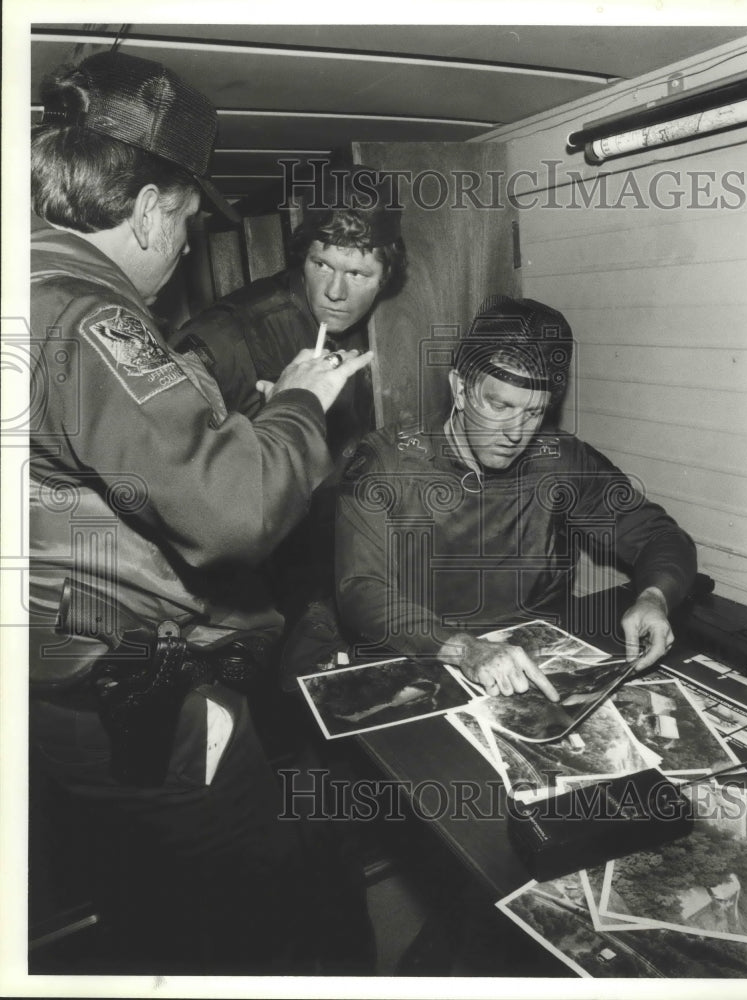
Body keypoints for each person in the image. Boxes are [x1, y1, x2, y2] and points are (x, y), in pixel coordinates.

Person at [29, 49, 374, 974]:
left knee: (149, 893)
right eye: (185, 217)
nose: (186, 244)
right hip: (137, 697)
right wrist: (300, 404)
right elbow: (229, 512)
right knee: (257, 902)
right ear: (147, 208)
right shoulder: (87, 319)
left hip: (63, 686)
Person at [336, 296, 697, 700]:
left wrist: (654, 597)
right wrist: (465, 649)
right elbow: (360, 588)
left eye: (533, 413)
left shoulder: (559, 460)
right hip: (424, 660)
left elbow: (659, 536)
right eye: (499, 405)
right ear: (460, 388)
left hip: (541, 666)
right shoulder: (387, 462)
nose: (515, 432)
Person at [172, 166, 407, 675]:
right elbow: (173, 467)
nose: (336, 292)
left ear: (387, 275)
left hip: (346, 559)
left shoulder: (393, 326)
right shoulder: (229, 333)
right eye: (321, 265)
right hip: (256, 580)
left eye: (359, 274)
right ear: (302, 256)